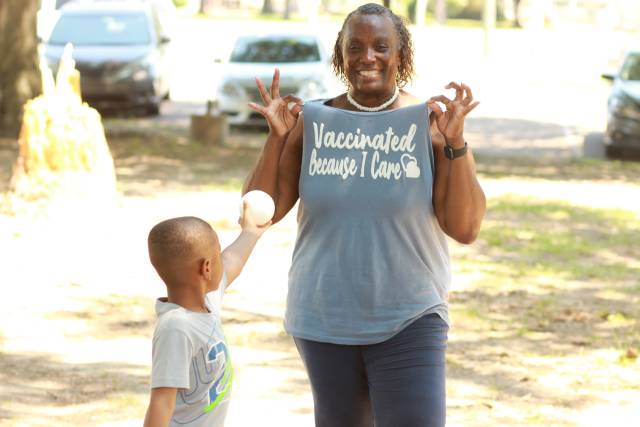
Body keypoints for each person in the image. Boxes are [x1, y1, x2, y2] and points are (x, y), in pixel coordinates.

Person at [243, 3, 486, 426]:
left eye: (381, 46)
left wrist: (456, 145)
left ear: (400, 56)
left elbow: (464, 228)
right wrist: (277, 139)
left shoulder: (428, 122)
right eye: (355, 46)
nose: (367, 57)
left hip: (410, 316)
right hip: (323, 318)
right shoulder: (313, 121)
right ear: (340, 54)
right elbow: (260, 213)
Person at [142, 210, 270, 427]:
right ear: (207, 268)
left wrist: (251, 232)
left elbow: (233, 262)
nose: (223, 258)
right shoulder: (176, 327)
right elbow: (161, 403)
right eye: (217, 254)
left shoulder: (206, 302)